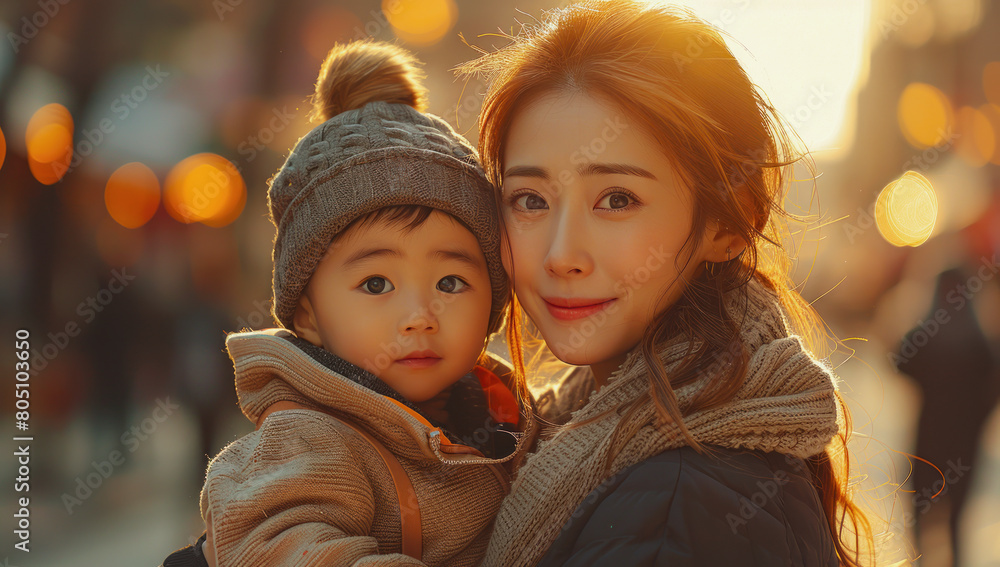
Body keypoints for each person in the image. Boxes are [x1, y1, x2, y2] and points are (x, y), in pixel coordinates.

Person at [459, 1, 877, 565]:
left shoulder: (674, 508)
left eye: (617, 200)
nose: (561, 255)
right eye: (529, 200)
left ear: (729, 222)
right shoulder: (576, 434)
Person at [161, 40, 532, 567]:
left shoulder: (512, 416)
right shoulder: (312, 436)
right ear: (308, 314)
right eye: (377, 284)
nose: (420, 316)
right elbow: (276, 544)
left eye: (451, 282)